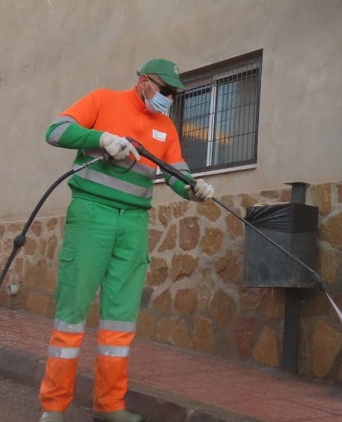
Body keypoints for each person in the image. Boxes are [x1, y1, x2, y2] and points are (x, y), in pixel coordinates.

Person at [38, 59, 215, 422]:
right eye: (164, 90)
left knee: (120, 322)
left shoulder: (166, 127)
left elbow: (176, 171)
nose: (168, 97)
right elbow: (55, 131)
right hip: (92, 214)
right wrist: (99, 138)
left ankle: (109, 406)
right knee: (72, 315)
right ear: (144, 81)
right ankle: (54, 407)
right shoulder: (103, 101)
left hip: (134, 222)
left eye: (173, 93)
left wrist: (194, 188)